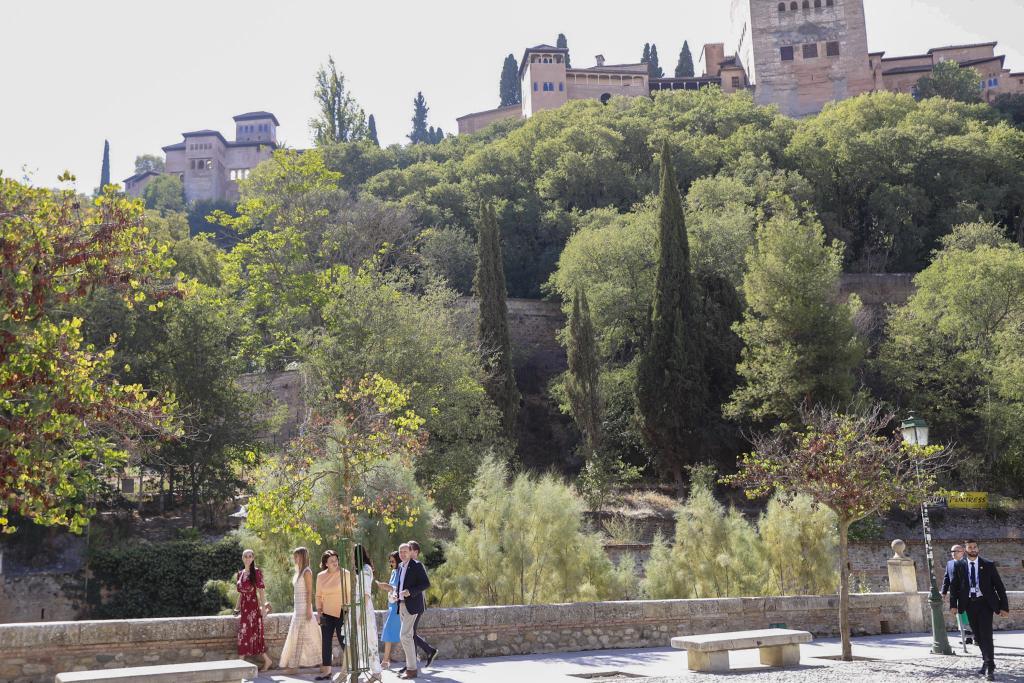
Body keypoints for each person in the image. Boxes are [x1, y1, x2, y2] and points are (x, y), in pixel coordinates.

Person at [949, 539, 1009, 680]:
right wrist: (953, 605)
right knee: (978, 635)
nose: (973, 549)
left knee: (986, 634)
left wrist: (1004, 607)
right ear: (965, 550)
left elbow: (999, 587)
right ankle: (986, 661)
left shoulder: (988, 565)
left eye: (975, 547)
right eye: (970, 547)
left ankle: (990, 666)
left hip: (985, 604)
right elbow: (954, 586)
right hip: (969, 604)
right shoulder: (959, 565)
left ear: (978, 549)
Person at [396, 540, 437, 680]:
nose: (402, 554)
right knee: (407, 636)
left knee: (405, 635)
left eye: (405, 551)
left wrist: (410, 592)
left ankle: (412, 669)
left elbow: (426, 584)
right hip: (401, 604)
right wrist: (397, 594)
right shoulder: (401, 566)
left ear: (410, 552)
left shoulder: (417, 565)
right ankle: (410, 667)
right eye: (400, 552)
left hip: (412, 606)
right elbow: (401, 584)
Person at [279, 546, 321, 672]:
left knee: (304, 636)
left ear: (302, 556)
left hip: (304, 608)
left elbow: (309, 592)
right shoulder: (298, 572)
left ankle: (294, 666)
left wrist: (309, 609)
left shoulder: (307, 571)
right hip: (297, 608)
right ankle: (297, 665)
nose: (294, 558)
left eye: (296, 556)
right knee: (304, 636)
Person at [233, 549, 273, 671]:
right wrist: (236, 608)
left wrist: (264, 609)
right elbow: (241, 594)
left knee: (249, 634)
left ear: (253, 558)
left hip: (253, 608)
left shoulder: (256, 572)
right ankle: (267, 660)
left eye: (250, 556)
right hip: (244, 608)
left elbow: (261, 591)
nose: (248, 558)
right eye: (246, 556)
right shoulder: (240, 574)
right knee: (247, 634)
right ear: (242, 558)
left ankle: (241, 662)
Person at [315, 549, 351, 681]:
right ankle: (327, 672)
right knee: (326, 642)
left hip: (342, 611)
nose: (335, 562)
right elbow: (318, 595)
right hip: (326, 613)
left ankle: (351, 669)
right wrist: (319, 612)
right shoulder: (320, 576)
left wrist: (349, 610)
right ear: (326, 563)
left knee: (344, 641)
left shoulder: (345, 574)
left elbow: (349, 593)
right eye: (332, 561)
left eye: (336, 560)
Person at [351, 544, 383, 683]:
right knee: (360, 641)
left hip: (364, 608)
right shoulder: (360, 570)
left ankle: (376, 672)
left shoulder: (365, 570)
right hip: (358, 607)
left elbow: (366, 594)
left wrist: (362, 614)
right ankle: (363, 669)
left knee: (369, 640)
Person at [375, 551, 402, 669]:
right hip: (391, 605)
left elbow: (400, 588)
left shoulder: (402, 572)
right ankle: (386, 660)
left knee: (388, 631)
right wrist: (385, 587)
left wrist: (388, 587)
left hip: (398, 606)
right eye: (390, 561)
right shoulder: (393, 572)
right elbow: (392, 589)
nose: (391, 563)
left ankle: (385, 660)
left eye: (393, 561)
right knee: (398, 632)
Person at [942, 544, 973, 645]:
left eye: (956, 551)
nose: (953, 553)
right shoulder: (949, 563)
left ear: (962, 552)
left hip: (968, 596)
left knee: (971, 616)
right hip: (955, 596)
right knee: (961, 616)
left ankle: (976, 638)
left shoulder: (968, 563)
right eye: (952, 551)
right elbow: (946, 579)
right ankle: (966, 638)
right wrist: (943, 592)